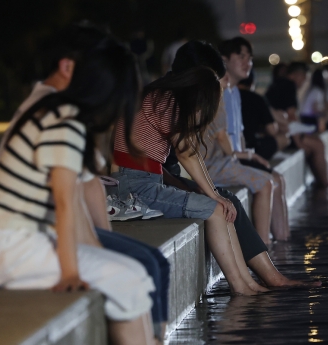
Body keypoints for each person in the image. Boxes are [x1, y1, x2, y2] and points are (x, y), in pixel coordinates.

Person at [0, 28, 157, 344]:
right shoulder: (62, 119)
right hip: (8, 248)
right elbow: (66, 202)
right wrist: (70, 273)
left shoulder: (56, 111)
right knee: (129, 280)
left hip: (15, 242)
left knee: (134, 275)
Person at [111, 44, 269, 296]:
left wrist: (214, 194)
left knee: (222, 208)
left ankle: (248, 284)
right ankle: (241, 286)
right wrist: (214, 196)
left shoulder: (160, 95)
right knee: (216, 210)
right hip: (137, 185)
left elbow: (192, 153)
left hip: (143, 180)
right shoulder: (166, 100)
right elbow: (186, 153)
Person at [216, 37, 290, 243]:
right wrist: (247, 155)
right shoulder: (218, 92)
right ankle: (265, 247)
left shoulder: (235, 92)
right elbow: (219, 139)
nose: (247, 62)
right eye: (241, 57)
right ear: (224, 60)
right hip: (220, 161)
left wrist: (250, 155)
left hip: (234, 158)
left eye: (249, 58)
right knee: (269, 181)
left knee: (277, 179)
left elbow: (238, 136)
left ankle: (283, 240)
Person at [265, 62, 328, 188]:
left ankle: (319, 184)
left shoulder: (277, 84)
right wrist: (299, 142)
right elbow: (291, 116)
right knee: (318, 145)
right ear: (297, 75)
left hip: (277, 132)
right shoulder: (289, 85)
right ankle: (325, 185)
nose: (305, 82)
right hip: (282, 134)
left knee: (314, 145)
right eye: (305, 78)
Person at [238, 69, 289, 160]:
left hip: (233, 147)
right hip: (251, 146)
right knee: (284, 139)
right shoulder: (257, 98)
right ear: (252, 83)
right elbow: (272, 130)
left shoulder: (228, 95)